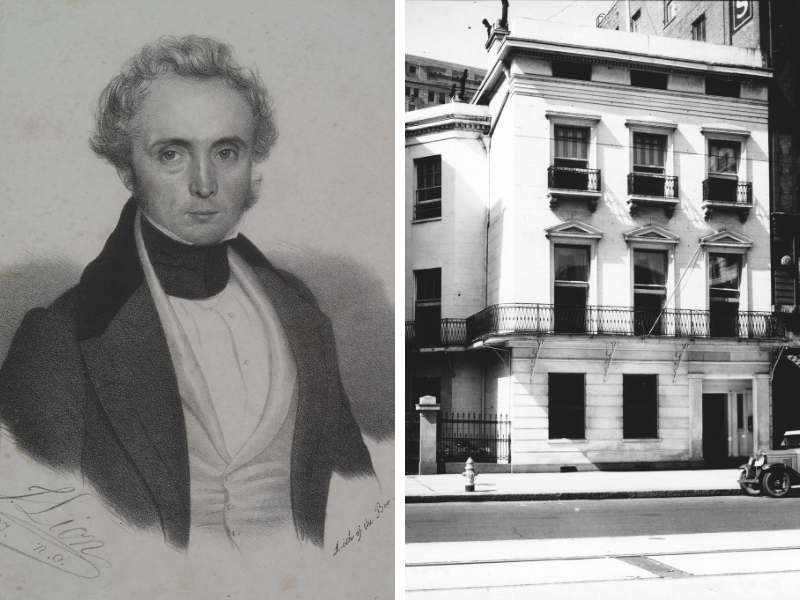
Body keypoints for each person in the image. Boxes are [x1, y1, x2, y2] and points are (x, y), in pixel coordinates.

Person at [0, 35, 375, 551]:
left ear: (251, 164)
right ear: (128, 168)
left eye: (226, 151)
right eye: (172, 153)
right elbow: (36, 547)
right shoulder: (62, 338)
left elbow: (363, 505)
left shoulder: (299, 312)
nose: (204, 183)